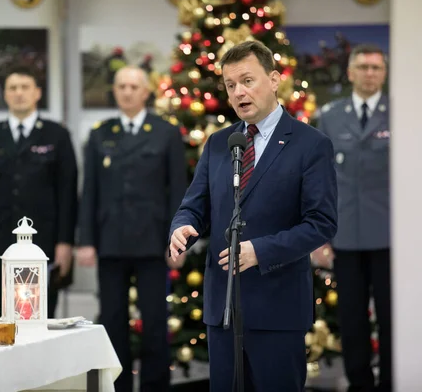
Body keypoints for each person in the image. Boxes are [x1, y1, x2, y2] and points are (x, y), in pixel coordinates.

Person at [168, 41, 338, 391]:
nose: (239, 92)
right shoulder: (219, 143)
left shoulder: (310, 144)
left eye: (247, 80)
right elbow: (194, 204)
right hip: (222, 309)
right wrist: (183, 225)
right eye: (231, 85)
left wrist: (260, 251)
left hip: (277, 309)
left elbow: (321, 222)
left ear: (274, 80)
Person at [77, 65, 187, 392]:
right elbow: (90, 192)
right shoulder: (101, 133)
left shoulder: (166, 132)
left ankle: (155, 386)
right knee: (111, 323)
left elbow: (177, 191)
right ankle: (117, 387)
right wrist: (85, 240)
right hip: (110, 241)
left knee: (154, 324)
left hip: (154, 244)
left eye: (133, 86)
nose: (126, 92)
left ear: (145, 92)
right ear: (115, 91)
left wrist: (177, 242)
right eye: (121, 86)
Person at [312, 43, 391, 392]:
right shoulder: (330, 116)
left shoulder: (403, 112)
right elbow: (319, 179)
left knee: (393, 317)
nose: (369, 74)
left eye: (376, 68)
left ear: (384, 73)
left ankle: (393, 381)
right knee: (352, 317)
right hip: (344, 234)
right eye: (363, 67)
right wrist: (319, 234)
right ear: (350, 72)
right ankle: (360, 384)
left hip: (392, 237)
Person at [0, 66, 77, 317]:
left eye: (25, 87)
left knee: (42, 315)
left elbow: (68, 193)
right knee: (3, 314)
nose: (19, 94)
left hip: (44, 242)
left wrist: (65, 242)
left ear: (37, 93)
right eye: (13, 88)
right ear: (5, 95)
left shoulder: (57, 135)